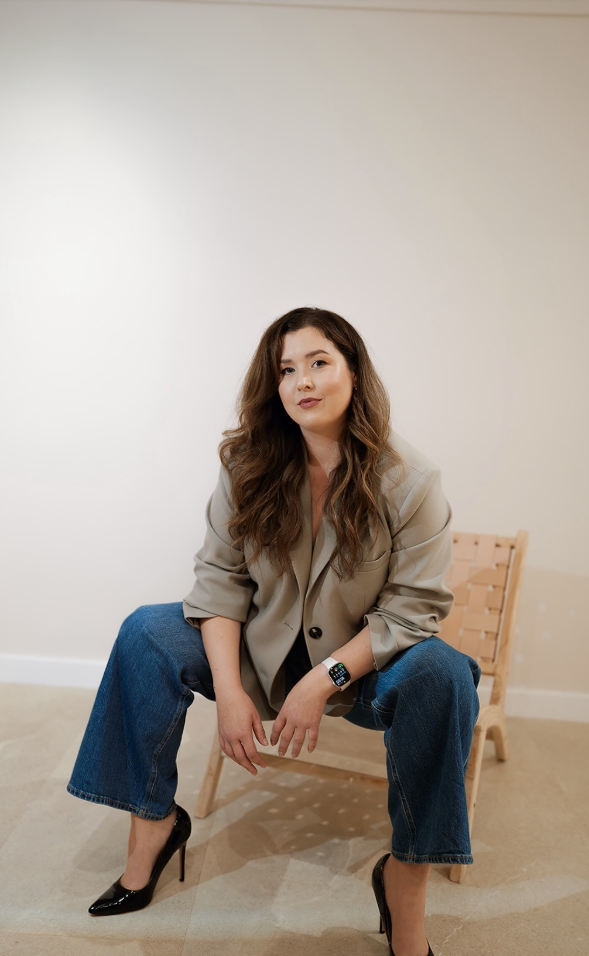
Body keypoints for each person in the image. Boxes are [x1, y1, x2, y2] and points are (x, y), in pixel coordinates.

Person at [68, 306, 480, 956]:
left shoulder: (412, 480)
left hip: (360, 674)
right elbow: (219, 583)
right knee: (146, 631)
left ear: (353, 371)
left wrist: (324, 679)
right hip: (260, 658)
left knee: (445, 673)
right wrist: (230, 692)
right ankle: (154, 825)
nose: (302, 381)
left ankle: (404, 879)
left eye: (318, 362)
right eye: (285, 369)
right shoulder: (247, 463)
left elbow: (413, 610)